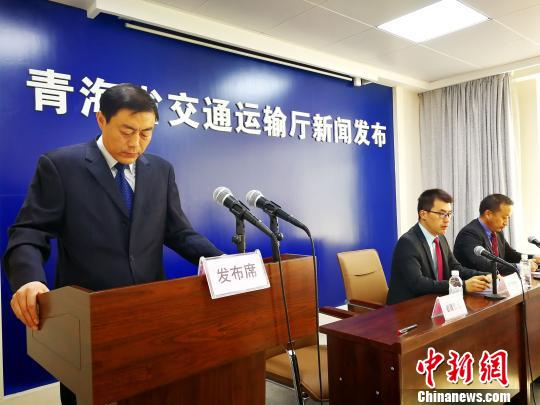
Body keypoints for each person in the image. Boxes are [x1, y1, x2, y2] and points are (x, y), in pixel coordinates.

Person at [2, 84, 223, 404]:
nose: (135, 143)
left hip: (150, 311)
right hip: (87, 316)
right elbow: (29, 231)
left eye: (146, 133)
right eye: (127, 131)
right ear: (101, 120)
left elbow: (179, 232)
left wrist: (220, 261)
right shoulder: (61, 166)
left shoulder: (160, 170)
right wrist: (29, 280)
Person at [387, 189, 491, 305]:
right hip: (409, 306)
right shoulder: (408, 243)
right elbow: (418, 284)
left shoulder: (440, 238)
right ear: (423, 214)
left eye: (449, 214)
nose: (447, 220)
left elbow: (456, 268)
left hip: (435, 300)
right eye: (441, 214)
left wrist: (485, 275)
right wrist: (462, 285)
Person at [454, 193, 538, 276]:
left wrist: (534, 258)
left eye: (508, 218)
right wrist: (521, 267)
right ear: (488, 214)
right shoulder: (469, 234)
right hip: (477, 283)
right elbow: (485, 265)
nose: (506, 223)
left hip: (498, 282)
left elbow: (510, 254)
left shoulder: (496, 231)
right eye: (504, 217)